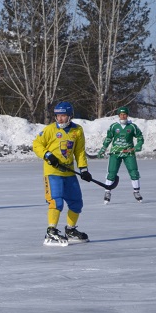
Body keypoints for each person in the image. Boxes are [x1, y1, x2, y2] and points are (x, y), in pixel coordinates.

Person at [32, 101, 91, 246]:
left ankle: (70, 230)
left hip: (69, 173)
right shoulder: (50, 130)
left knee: (77, 203)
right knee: (56, 201)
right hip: (53, 172)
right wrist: (47, 155)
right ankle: (51, 230)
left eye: (63, 116)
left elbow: (79, 151)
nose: (60, 119)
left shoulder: (77, 130)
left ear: (70, 116)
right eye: (57, 116)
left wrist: (83, 169)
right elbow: (36, 145)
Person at [98, 106, 145, 203]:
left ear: (127, 115)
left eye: (125, 114)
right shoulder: (114, 126)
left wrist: (138, 146)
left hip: (128, 153)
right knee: (111, 173)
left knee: (134, 172)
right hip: (115, 153)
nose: (123, 116)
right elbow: (108, 138)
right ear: (118, 115)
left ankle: (136, 191)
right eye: (121, 114)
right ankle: (107, 192)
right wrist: (103, 148)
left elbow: (140, 138)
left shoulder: (132, 127)